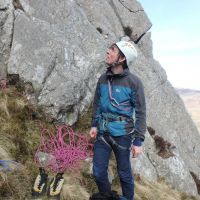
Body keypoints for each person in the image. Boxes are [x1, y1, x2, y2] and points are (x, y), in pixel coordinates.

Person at [89, 40, 146, 200]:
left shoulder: (134, 82)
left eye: (113, 50)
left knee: (124, 172)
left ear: (122, 58)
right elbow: (97, 103)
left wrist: (138, 141)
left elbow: (141, 112)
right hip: (103, 132)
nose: (108, 51)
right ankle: (107, 196)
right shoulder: (103, 79)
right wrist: (94, 124)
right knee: (98, 172)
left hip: (123, 135)